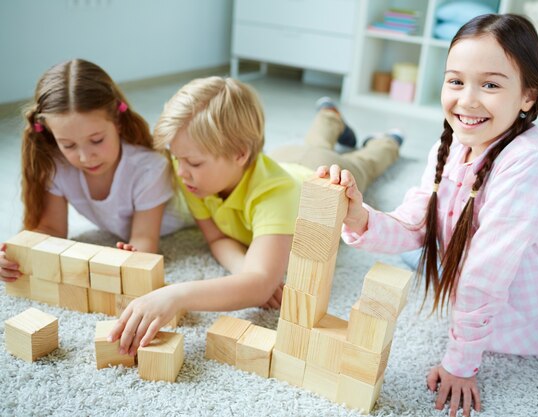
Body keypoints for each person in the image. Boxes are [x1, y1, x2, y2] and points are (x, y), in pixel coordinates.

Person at [317, 14, 538, 417]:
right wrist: (357, 217)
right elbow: (417, 223)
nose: (468, 100)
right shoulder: (455, 144)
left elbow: (486, 276)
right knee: (409, 248)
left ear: (528, 95)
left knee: (431, 264)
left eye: (490, 85)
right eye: (456, 81)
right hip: (469, 260)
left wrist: (461, 364)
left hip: (511, 308)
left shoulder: (530, 167)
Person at [107, 76, 403, 356]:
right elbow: (218, 237)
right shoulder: (194, 176)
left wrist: (176, 295)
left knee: (364, 162)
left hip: (317, 172)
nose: (180, 171)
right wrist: (246, 269)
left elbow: (260, 284)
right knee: (312, 143)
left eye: (193, 162)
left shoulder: (276, 195)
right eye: (177, 157)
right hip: (283, 158)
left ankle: (388, 141)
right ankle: (329, 116)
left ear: (239, 154)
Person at [0, 59, 189, 283]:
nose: (85, 157)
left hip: (188, 213)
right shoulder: (57, 166)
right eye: (68, 145)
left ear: (117, 121)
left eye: (97, 140)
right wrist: (17, 250)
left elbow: (144, 239)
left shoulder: (149, 168)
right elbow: (52, 229)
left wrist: (132, 258)